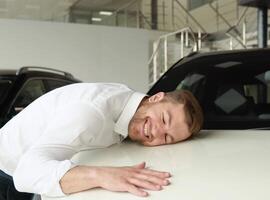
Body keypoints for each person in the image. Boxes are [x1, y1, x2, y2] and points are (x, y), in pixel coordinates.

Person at [0, 83, 203, 200]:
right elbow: (26, 174)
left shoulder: (127, 103)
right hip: (6, 171)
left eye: (167, 138)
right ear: (156, 98)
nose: (156, 133)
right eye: (164, 119)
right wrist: (102, 175)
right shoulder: (90, 113)